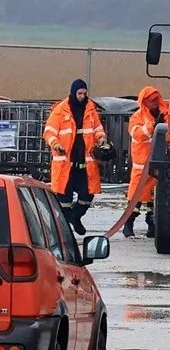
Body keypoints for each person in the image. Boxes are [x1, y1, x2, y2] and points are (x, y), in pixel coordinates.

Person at [42, 78, 110, 234]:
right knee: (63, 201)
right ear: (73, 93)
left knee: (87, 196)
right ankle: (63, 231)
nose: (82, 96)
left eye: (84, 93)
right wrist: (56, 145)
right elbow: (49, 132)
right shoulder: (60, 110)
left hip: (84, 165)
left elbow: (98, 130)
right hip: (66, 164)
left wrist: (102, 140)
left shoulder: (91, 110)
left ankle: (75, 217)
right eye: (79, 93)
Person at [124, 85, 166, 239]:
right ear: (144, 102)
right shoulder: (137, 117)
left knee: (154, 199)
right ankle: (128, 224)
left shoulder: (165, 113)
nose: (154, 103)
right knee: (136, 197)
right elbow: (137, 134)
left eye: (156, 100)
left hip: (158, 163)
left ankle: (152, 226)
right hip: (142, 166)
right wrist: (153, 126)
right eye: (151, 101)